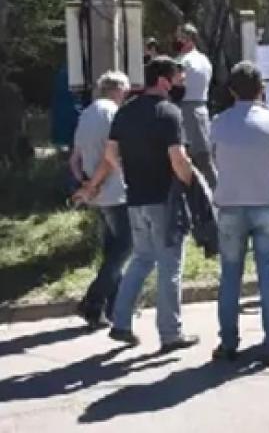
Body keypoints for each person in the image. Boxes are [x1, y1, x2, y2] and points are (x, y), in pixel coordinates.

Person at [105, 57, 199, 351]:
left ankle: (120, 322)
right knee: (170, 265)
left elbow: (110, 155)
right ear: (163, 80)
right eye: (178, 78)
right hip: (164, 199)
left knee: (142, 259)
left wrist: (129, 174)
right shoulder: (168, 112)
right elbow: (178, 159)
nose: (181, 83)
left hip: (135, 199)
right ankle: (171, 334)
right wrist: (192, 185)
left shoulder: (125, 112)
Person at [208, 62, 269, 364]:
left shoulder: (218, 123)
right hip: (267, 204)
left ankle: (228, 342)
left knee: (230, 275)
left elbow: (212, 161)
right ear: (262, 89)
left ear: (232, 90)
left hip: (230, 205)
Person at [70, 72, 132, 330]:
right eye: (126, 91)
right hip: (115, 191)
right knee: (126, 247)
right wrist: (94, 184)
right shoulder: (114, 115)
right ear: (119, 90)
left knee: (112, 251)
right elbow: (110, 158)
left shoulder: (86, 114)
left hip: (96, 195)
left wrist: (85, 185)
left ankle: (112, 310)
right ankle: (93, 302)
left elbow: (74, 158)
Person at [174, 24, 216, 187]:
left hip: (186, 108)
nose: (177, 41)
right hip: (201, 108)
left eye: (180, 37)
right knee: (203, 156)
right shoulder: (204, 60)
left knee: (197, 156)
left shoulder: (184, 61)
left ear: (189, 39)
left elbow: (178, 85)